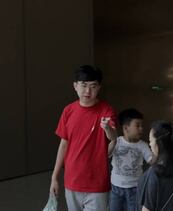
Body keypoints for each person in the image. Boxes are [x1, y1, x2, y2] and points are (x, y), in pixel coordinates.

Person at [49, 65, 117, 211]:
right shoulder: (68, 111)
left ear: (99, 87)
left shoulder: (106, 110)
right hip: (72, 180)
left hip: (97, 183)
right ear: (75, 86)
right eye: (83, 85)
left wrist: (107, 128)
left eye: (93, 86)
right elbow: (63, 145)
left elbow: (113, 138)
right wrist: (54, 177)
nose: (88, 91)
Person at [137, 121, 173, 211]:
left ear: (159, 143)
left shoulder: (155, 172)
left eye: (150, 140)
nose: (150, 144)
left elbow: (147, 209)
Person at [108, 108, 154, 211]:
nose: (141, 128)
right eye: (137, 125)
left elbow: (152, 161)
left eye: (141, 125)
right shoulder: (117, 142)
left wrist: (159, 149)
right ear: (126, 128)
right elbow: (106, 153)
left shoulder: (143, 145)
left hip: (135, 189)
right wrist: (112, 139)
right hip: (116, 188)